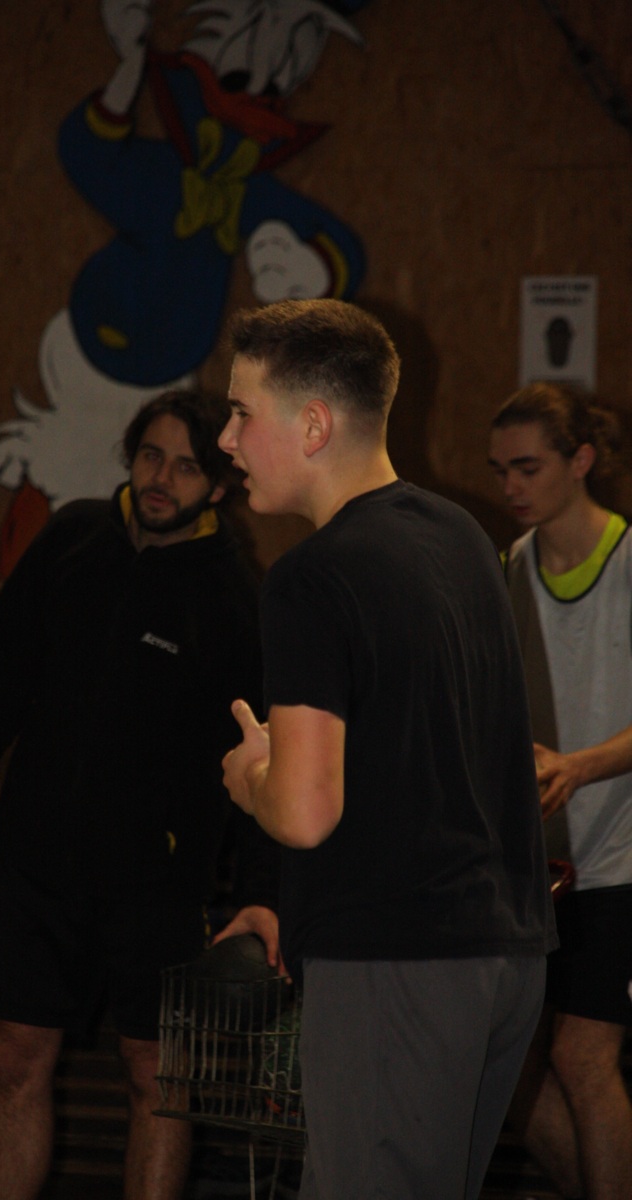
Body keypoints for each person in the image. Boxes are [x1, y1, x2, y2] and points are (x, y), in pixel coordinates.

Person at [217, 298, 556, 1200]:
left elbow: (304, 811)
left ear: (313, 425)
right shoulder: (463, 536)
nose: (227, 439)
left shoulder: (310, 578)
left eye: (242, 412)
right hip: (505, 954)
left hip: (397, 963)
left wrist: (252, 775)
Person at [0, 388, 279, 1200]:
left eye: (185, 467)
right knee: (16, 1058)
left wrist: (258, 896)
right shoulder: (71, 539)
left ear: (218, 486)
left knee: (156, 1075)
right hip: (38, 862)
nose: (161, 479)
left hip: (157, 884)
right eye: (151, 456)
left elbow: (262, 764)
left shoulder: (233, 599)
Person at [488, 382, 632, 1200]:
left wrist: (578, 767)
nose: (511, 486)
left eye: (528, 467)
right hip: (537, 869)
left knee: (583, 1057)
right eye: (500, 470)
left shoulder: (630, 561)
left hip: (621, 859)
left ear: (580, 461)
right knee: (510, 1068)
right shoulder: (510, 567)